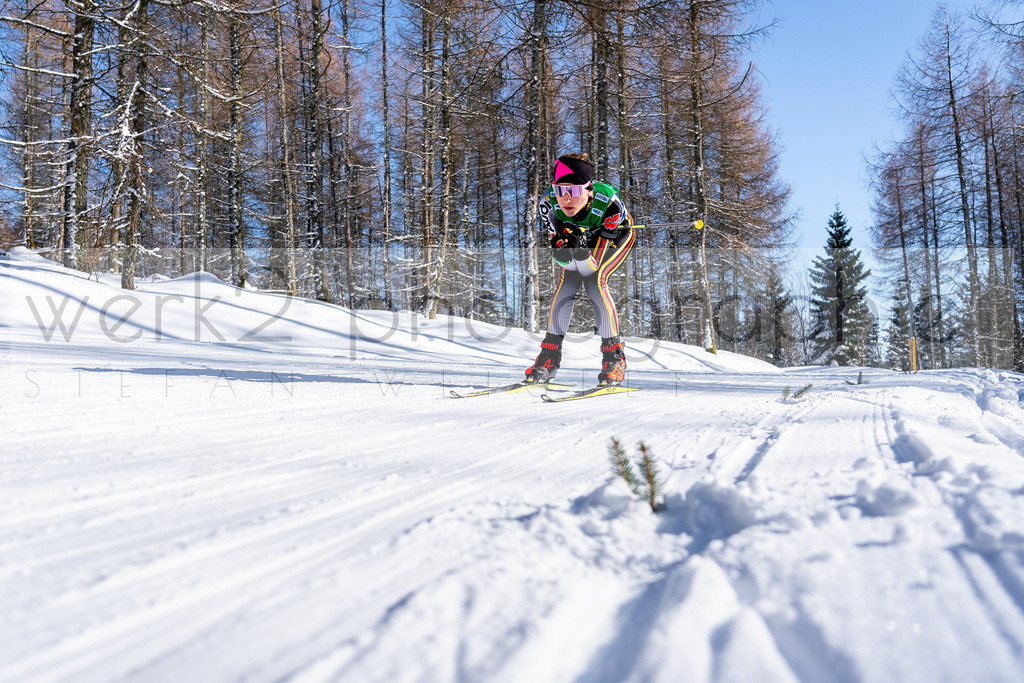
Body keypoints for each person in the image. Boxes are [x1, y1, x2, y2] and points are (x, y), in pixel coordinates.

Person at [525, 153, 636, 386]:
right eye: (560, 190)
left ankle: (614, 358)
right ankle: (549, 357)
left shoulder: (609, 203)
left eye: (574, 191)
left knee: (596, 281)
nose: (566, 198)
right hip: (583, 236)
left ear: (589, 190)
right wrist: (564, 252)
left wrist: (582, 250)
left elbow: (589, 267)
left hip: (615, 234)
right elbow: (566, 257)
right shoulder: (548, 204)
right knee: (566, 283)